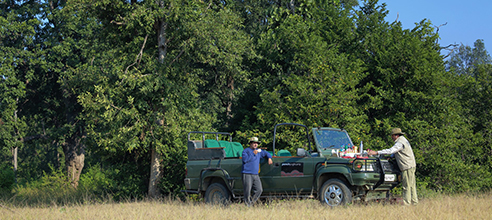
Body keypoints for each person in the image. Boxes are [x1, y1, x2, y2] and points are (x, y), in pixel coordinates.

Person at [367, 128, 418, 205]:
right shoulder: (403, 140)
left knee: (406, 186)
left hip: (406, 166)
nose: (392, 137)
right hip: (410, 165)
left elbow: (391, 150)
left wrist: (376, 152)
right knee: (411, 185)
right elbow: (396, 152)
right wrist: (391, 157)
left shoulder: (400, 143)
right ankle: (414, 202)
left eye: (392, 135)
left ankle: (407, 203)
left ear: (396, 135)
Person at [242, 136, 273, 206]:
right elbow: (245, 160)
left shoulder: (259, 152)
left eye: (257, 143)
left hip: (255, 174)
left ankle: (251, 203)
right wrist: (253, 153)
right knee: (247, 190)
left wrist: (269, 158)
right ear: (250, 144)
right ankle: (247, 205)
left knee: (259, 189)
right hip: (247, 173)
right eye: (254, 143)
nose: (255, 145)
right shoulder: (246, 151)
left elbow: (266, 153)